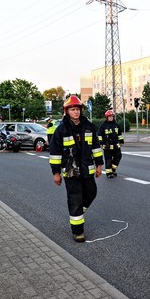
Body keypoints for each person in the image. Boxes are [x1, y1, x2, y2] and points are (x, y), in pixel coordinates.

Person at [49, 95, 104, 242]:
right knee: (75, 199)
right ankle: (78, 232)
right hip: (70, 171)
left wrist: (99, 165)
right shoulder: (61, 130)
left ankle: (78, 210)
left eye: (78, 109)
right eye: (73, 109)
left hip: (87, 169)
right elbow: (55, 153)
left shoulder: (89, 126)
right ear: (67, 111)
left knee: (92, 192)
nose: (76, 112)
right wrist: (56, 173)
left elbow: (96, 147)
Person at [98, 109, 124, 178]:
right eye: (110, 117)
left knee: (118, 156)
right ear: (107, 117)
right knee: (108, 159)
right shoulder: (103, 126)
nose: (111, 118)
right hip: (107, 146)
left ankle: (112, 170)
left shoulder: (116, 125)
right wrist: (100, 143)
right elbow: (100, 135)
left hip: (116, 145)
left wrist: (121, 140)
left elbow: (119, 134)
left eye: (112, 116)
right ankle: (109, 173)